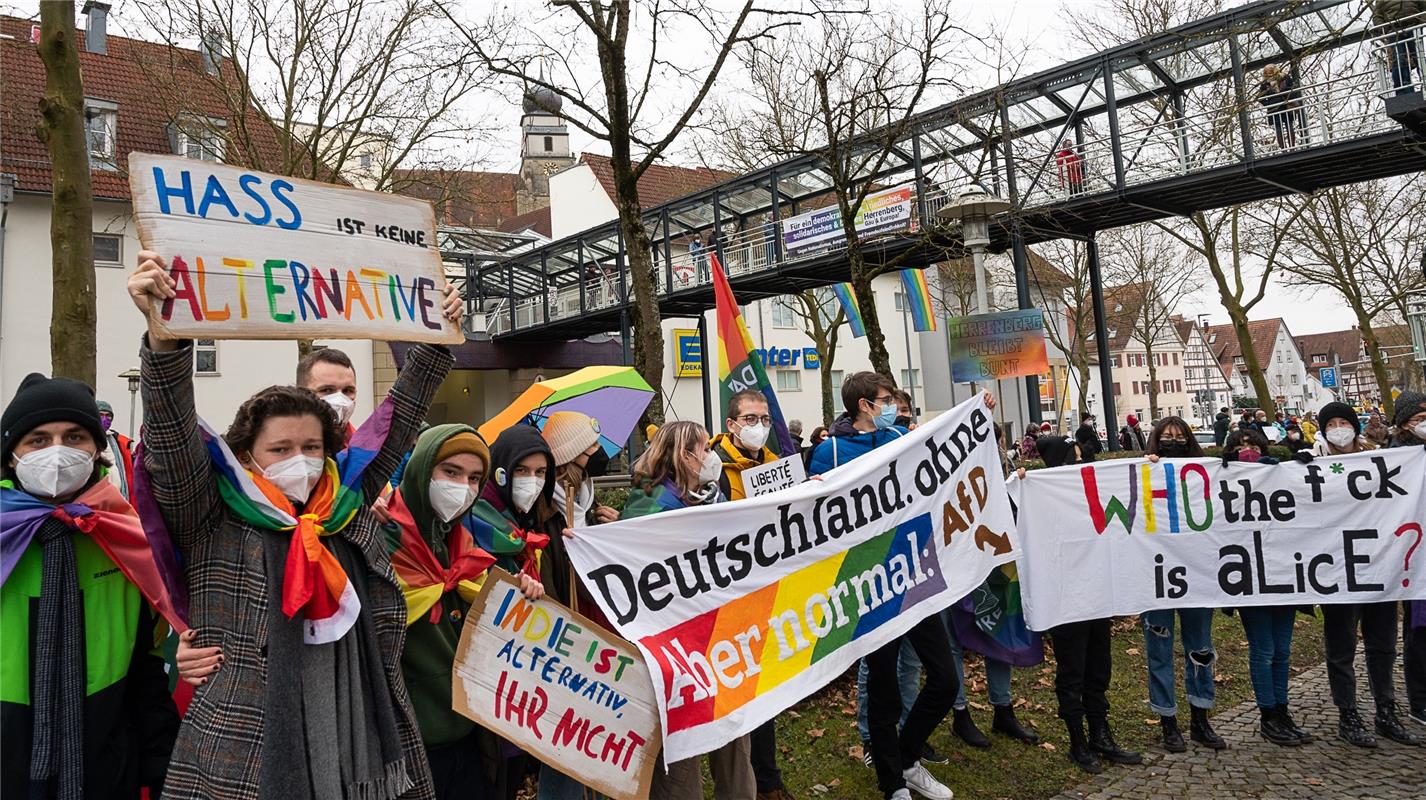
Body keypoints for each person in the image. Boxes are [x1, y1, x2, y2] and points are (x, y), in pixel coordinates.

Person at [129, 250, 460, 799]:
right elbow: (169, 436)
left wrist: (436, 339)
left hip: (359, 733)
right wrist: (165, 341)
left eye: (310, 446)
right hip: (245, 748)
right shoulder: (210, 514)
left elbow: (395, 423)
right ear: (247, 454)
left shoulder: (345, 503)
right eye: (280, 448)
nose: (299, 459)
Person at [1, 374, 181, 798]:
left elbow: (146, 667)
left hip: (104, 768)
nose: (57, 452)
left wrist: (162, 769)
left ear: (98, 450)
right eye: (38, 440)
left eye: (75, 436)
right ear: (11, 455)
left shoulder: (127, 540)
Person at [812, 373, 962, 800]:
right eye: (885, 399)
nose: (893, 404)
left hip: (915, 573)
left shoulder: (901, 436)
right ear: (864, 405)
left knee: (945, 680)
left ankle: (907, 756)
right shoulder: (830, 452)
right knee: (883, 686)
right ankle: (892, 782)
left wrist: (977, 411)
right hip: (869, 581)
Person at [386, 425, 546, 798]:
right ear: (422, 470)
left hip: (469, 735)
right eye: (451, 473)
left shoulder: (463, 545)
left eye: (475, 478)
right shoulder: (383, 540)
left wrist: (519, 595)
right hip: (410, 745)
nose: (464, 488)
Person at [622, 421, 757, 800]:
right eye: (704, 450)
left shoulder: (705, 497)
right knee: (682, 759)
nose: (710, 458)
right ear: (684, 456)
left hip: (719, 640)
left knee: (733, 741)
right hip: (678, 650)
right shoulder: (652, 507)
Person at [1020, 436, 1141, 774]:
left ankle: (1101, 733)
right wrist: (1021, 484)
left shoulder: (1094, 490)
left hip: (1097, 594)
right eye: (1071, 461)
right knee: (1072, 671)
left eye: (1080, 458)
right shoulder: (1041, 496)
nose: (1079, 465)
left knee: (1099, 668)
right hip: (1064, 600)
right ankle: (1077, 741)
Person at [1306, 402, 1418, 746]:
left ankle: (1386, 712)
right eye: (1332, 424)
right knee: (1341, 648)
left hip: (1379, 568)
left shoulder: (1381, 459)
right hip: (1337, 572)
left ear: (1355, 426)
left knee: (1383, 645)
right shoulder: (1310, 462)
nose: (1339, 428)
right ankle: (1349, 715)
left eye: (1344, 422)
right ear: (1323, 430)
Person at [1221, 428, 1313, 747]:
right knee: (1264, 650)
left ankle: (1283, 711)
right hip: (1249, 580)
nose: (1247, 451)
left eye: (1253, 446)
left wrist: (1299, 464)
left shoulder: (1280, 475)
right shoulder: (1224, 480)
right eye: (1240, 447)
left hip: (1283, 577)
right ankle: (1268, 715)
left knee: (1283, 650)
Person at [1139, 418, 1226, 752]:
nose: (1172, 441)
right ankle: (1168, 723)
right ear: (1155, 440)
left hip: (1196, 577)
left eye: (1179, 437)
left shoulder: (1204, 475)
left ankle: (1201, 719)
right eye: (1166, 437)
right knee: (1159, 652)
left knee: (1200, 649)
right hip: (1155, 578)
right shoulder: (1145, 473)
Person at [1388, 392, 1426, 728]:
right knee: (1420, 632)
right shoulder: (1395, 459)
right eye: (1419, 419)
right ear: (1404, 424)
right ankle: (1419, 700)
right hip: (1415, 560)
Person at [296, 347, 360, 442]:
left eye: (347, 390)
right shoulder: (280, 445)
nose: (340, 401)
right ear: (301, 393)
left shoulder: (365, 449)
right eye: (327, 390)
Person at [1374, 0, 1425, 95]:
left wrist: (1420, 22)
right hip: (1394, 30)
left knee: (1419, 57)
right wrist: (1385, 29)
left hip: (1413, 27)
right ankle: (1402, 91)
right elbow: (1377, 16)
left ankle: (1424, 84)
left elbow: (1424, 6)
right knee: (1399, 59)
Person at [96, 399, 137, 500]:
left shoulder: (117, 440)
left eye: (108, 415)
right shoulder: (88, 439)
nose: (105, 419)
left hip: (120, 496)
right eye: (100, 415)